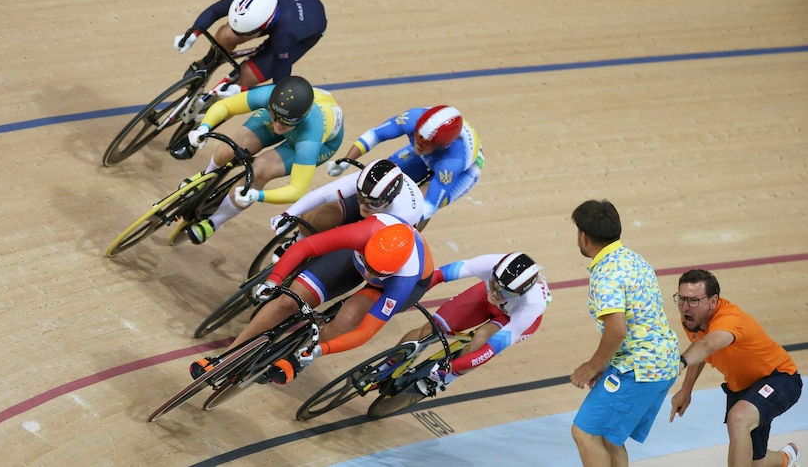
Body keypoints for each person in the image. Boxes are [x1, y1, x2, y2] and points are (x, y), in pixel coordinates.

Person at [190, 213, 434, 385]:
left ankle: (298, 358)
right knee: (287, 301)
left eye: (376, 273)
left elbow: (364, 333)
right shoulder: (365, 232)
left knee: (347, 318)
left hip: (395, 287)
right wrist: (274, 280)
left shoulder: (404, 281)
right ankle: (225, 358)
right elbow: (306, 247)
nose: (368, 275)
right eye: (368, 266)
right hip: (356, 257)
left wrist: (321, 350)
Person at [168, 75, 345, 245]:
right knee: (231, 147)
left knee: (260, 170)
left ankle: (214, 222)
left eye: (284, 122)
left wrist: (258, 195)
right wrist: (203, 128)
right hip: (291, 116)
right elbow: (226, 106)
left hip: (319, 142)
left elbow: (297, 189)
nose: (277, 126)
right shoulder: (271, 96)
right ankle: (206, 176)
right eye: (274, 117)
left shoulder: (311, 135)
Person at [569, 199, 680, 467]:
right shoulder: (634, 259)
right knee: (608, 439)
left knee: (585, 432)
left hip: (639, 368)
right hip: (660, 362)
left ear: (583, 237)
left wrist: (592, 366)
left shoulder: (606, 273)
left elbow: (617, 330)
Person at [669, 269, 802, 467]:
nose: (685, 307)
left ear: (713, 302)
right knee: (755, 462)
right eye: (682, 299)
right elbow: (701, 352)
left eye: (694, 300)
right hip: (741, 387)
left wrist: (679, 363)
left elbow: (708, 345)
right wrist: (686, 389)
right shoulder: (692, 320)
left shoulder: (730, 319)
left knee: (738, 417)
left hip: (779, 378)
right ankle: (786, 458)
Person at [395, 252, 551, 397]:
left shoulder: (532, 305)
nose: (496, 293)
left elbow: (488, 351)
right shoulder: (490, 264)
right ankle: (386, 366)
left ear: (520, 293)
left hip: (512, 318)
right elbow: (438, 275)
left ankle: (446, 379)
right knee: (430, 329)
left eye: (505, 292)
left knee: (480, 339)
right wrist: (407, 298)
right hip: (485, 297)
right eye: (494, 284)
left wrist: (450, 368)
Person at [326, 105, 484, 226]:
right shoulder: (412, 119)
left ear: (442, 146)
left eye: (426, 143)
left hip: (464, 173)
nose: (419, 144)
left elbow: (428, 206)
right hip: (429, 155)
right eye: (418, 137)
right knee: (385, 178)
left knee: (418, 201)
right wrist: (346, 161)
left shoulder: (451, 162)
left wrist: (392, 221)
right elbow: (375, 135)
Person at [174, 0, 326, 88]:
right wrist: (193, 34)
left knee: (242, 80)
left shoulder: (285, 35)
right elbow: (214, 11)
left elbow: (279, 83)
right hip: (284, 3)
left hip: (302, 32)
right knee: (227, 35)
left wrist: (240, 92)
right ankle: (207, 64)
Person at [268, 158, 424, 260]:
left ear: (389, 200)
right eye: (360, 198)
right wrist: (288, 214)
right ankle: (297, 240)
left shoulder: (405, 214)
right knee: (316, 216)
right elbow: (322, 195)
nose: (363, 206)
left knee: (349, 258)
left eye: (372, 203)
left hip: (385, 224)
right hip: (376, 201)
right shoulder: (367, 182)